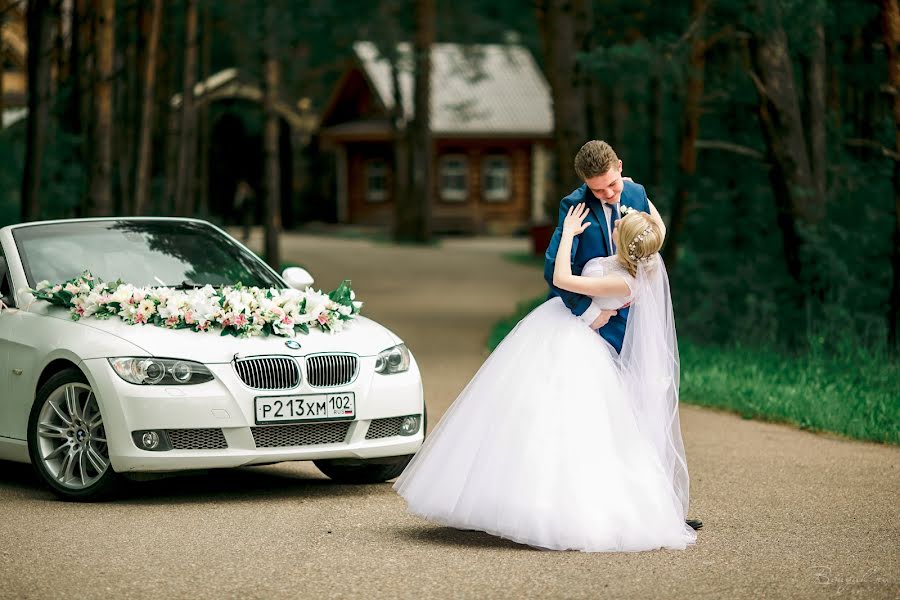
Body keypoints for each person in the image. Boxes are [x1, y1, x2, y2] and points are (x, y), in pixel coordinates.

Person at [393, 207, 696, 552]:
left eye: (620, 226)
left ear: (625, 242)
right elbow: (659, 227)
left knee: (549, 417)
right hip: (571, 332)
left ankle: (547, 506)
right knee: (531, 411)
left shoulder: (622, 280)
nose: (615, 224)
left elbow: (563, 280)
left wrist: (567, 234)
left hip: (571, 338)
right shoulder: (647, 262)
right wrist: (634, 188)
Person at [543, 140, 667, 353]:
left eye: (612, 184)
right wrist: (589, 312)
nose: (609, 194)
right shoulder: (575, 205)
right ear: (585, 182)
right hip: (581, 315)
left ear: (620, 167)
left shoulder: (636, 193)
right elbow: (553, 267)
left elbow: (654, 237)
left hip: (629, 315)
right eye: (598, 190)